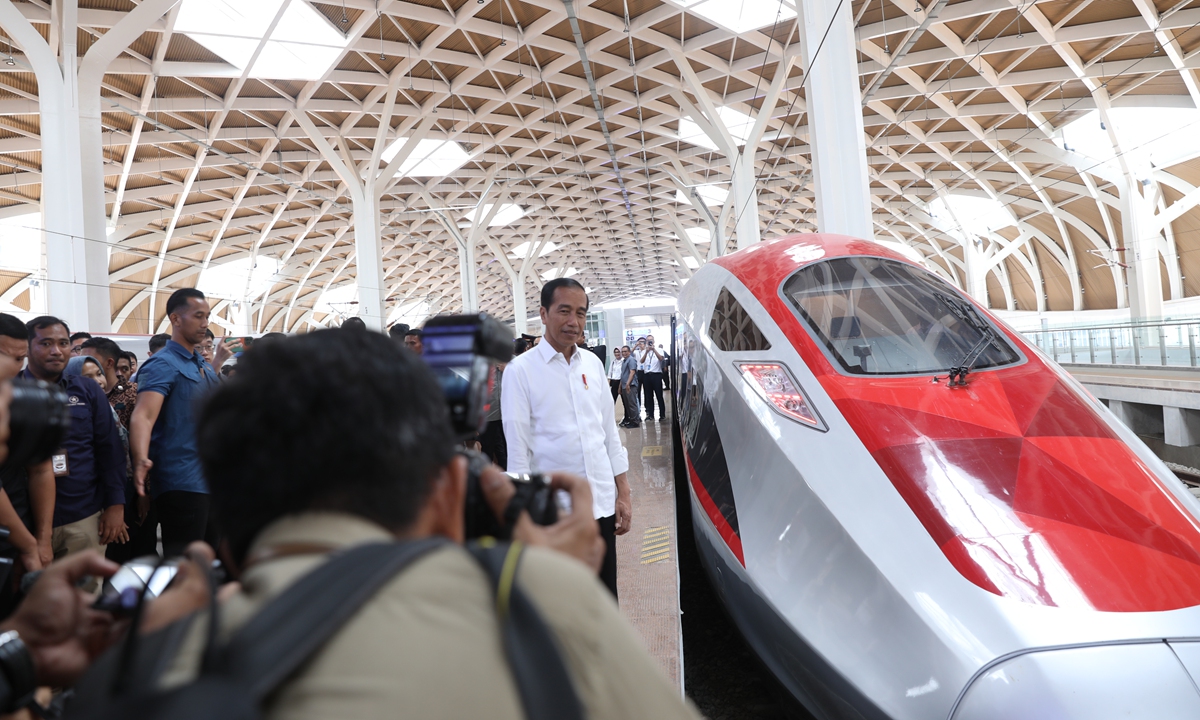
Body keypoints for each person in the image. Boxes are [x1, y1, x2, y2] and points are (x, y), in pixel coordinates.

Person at [503, 278, 632, 597]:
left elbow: (608, 434)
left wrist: (624, 493)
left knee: (604, 601)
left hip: (600, 504)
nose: (573, 321)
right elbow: (518, 453)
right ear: (544, 314)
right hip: (554, 514)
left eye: (581, 313)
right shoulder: (520, 371)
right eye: (564, 311)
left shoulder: (592, 364)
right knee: (562, 607)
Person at [20, 317, 126, 563]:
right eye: (45, 343)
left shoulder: (87, 391)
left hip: (83, 514)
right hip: (25, 519)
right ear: (27, 347)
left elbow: (109, 448)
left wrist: (115, 504)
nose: (56, 351)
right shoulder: (11, 390)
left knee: (84, 596)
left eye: (63, 343)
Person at [129, 289, 220, 557]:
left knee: (209, 563)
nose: (205, 323)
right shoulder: (162, 364)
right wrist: (140, 460)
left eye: (208, 317)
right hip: (182, 481)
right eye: (198, 316)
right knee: (185, 565)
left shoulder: (200, 365)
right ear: (175, 319)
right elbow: (143, 415)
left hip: (210, 479)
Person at [0, 316, 54, 581]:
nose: (12, 367)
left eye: (19, 358)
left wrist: (42, 539)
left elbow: (42, 470)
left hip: (17, 532)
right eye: (4, 355)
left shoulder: (24, 400)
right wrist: (29, 545)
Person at [639, 335, 665, 423]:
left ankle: (662, 415)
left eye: (651, 340)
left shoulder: (660, 350)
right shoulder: (643, 351)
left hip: (656, 375)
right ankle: (650, 415)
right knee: (649, 396)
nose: (649, 342)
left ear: (654, 341)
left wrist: (654, 350)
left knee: (659, 395)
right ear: (646, 342)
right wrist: (646, 352)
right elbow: (641, 361)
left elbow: (661, 358)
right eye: (648, 341)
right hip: (647, 375)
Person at [619, 346, 640, 429]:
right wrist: (620, 386)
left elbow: (632, 372)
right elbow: (623, 374)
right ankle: (631, 420)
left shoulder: (631, 360)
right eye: (622, 352)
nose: (624, 353)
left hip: (630, 386)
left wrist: (628, 384)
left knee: (632, 404)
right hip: (624, 385)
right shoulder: (624, 361)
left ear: (629, 352)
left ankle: (635, 422)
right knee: (627, 404)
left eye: (625, 351)